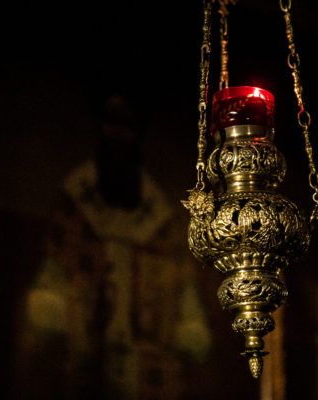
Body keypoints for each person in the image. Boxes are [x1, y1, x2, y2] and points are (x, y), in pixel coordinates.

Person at [17, 91, 211, 400]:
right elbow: (49, 286)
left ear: (139, 134)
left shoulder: (161, 222)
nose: (118, 133)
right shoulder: (75, 207)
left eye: (127, 124)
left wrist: (187, 332)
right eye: (111, 121)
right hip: (85, 374)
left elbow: (187, 311)